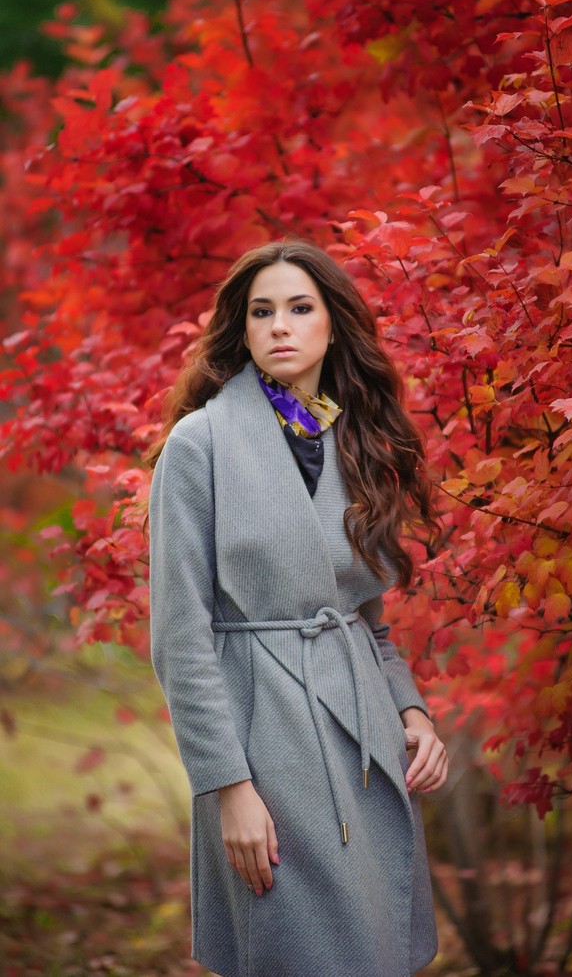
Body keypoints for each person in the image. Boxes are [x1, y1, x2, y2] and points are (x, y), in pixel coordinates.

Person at [146, 239, 448, 977]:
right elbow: (181, 638)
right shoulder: (200, 444)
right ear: (241, 329)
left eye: (300, 307)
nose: (280, 324)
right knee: (296, 951)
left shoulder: (358, 440)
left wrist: (413, 713)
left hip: (364, 740)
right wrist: (228, 787)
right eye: (262, 311)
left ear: (332, 325)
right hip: (264, 743)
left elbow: (367, 619)